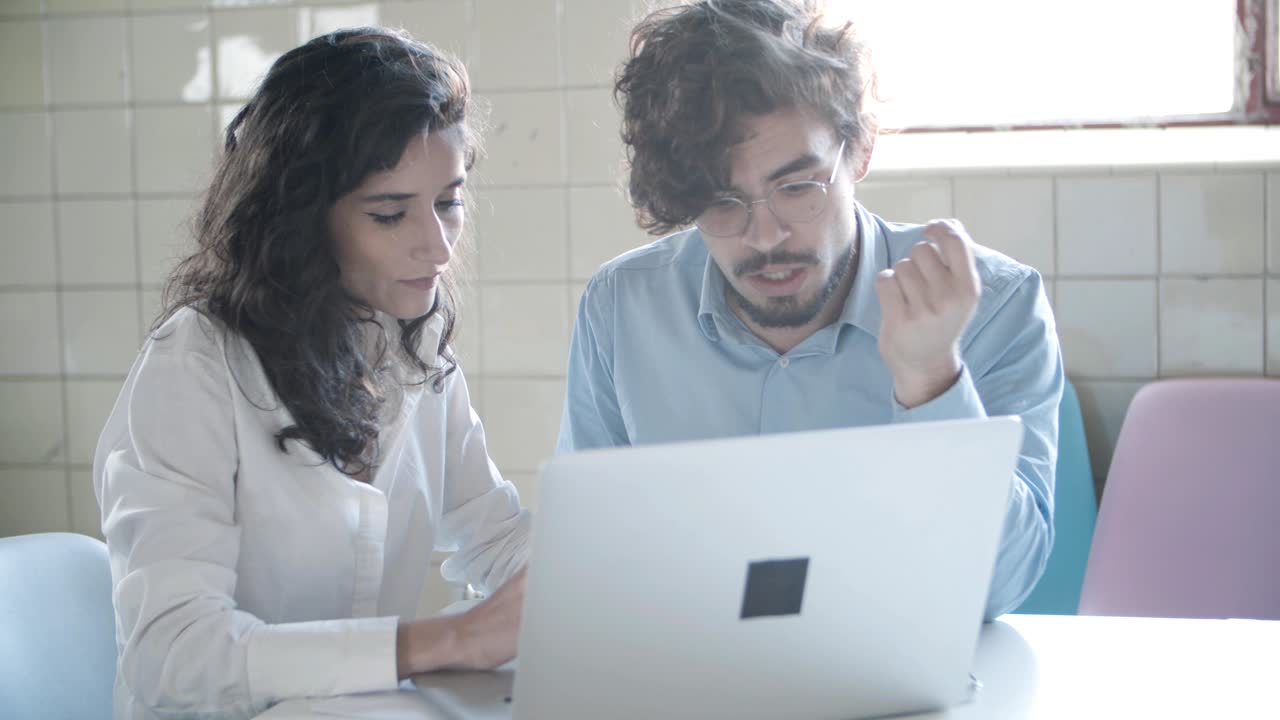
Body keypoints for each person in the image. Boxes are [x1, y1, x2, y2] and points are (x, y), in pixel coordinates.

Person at [558, 0, 1063, 619]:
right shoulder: (622, 307)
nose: (766, 237)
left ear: (861, 150)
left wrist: (931, 380)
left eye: (796, 187)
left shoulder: (993, 307)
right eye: (721, 201)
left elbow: (1000, 589)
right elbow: (590, 555)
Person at [93, 28, 528, 720]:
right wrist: (445, 640)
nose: (439, 246)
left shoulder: (415, 345)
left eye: (449, 200)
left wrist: (606, 584)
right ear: (300, 222)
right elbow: (173, 655)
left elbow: (496, 536)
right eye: (391, 213)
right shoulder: (195, 366)